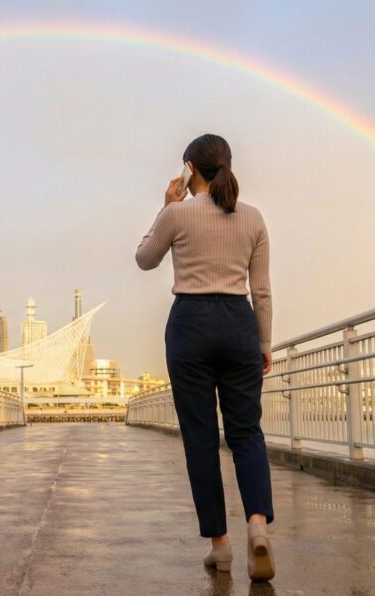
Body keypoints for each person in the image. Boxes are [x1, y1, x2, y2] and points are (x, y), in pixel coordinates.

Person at [135, 133, 276, 582]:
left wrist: (164, 206)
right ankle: (257, 524)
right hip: (238, 323)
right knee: (246, 433)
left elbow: (144, 259)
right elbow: (263, 290)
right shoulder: (253, 218)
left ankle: (221, 546)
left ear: (188, 169)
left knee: (200, 439)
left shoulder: (177, 214)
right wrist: (264, 344)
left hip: (191, 324)